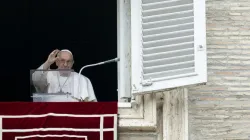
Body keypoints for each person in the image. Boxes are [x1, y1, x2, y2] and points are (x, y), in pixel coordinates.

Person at [32, 49, 97, 102]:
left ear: (72, 63)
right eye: (62, 61)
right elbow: (35, 80)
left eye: (69, 61)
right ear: (56, 62)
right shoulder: (48, 74)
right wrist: (48, 62)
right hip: (50, 113)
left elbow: (91, 104)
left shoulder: (82, 79)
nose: (65, 64)